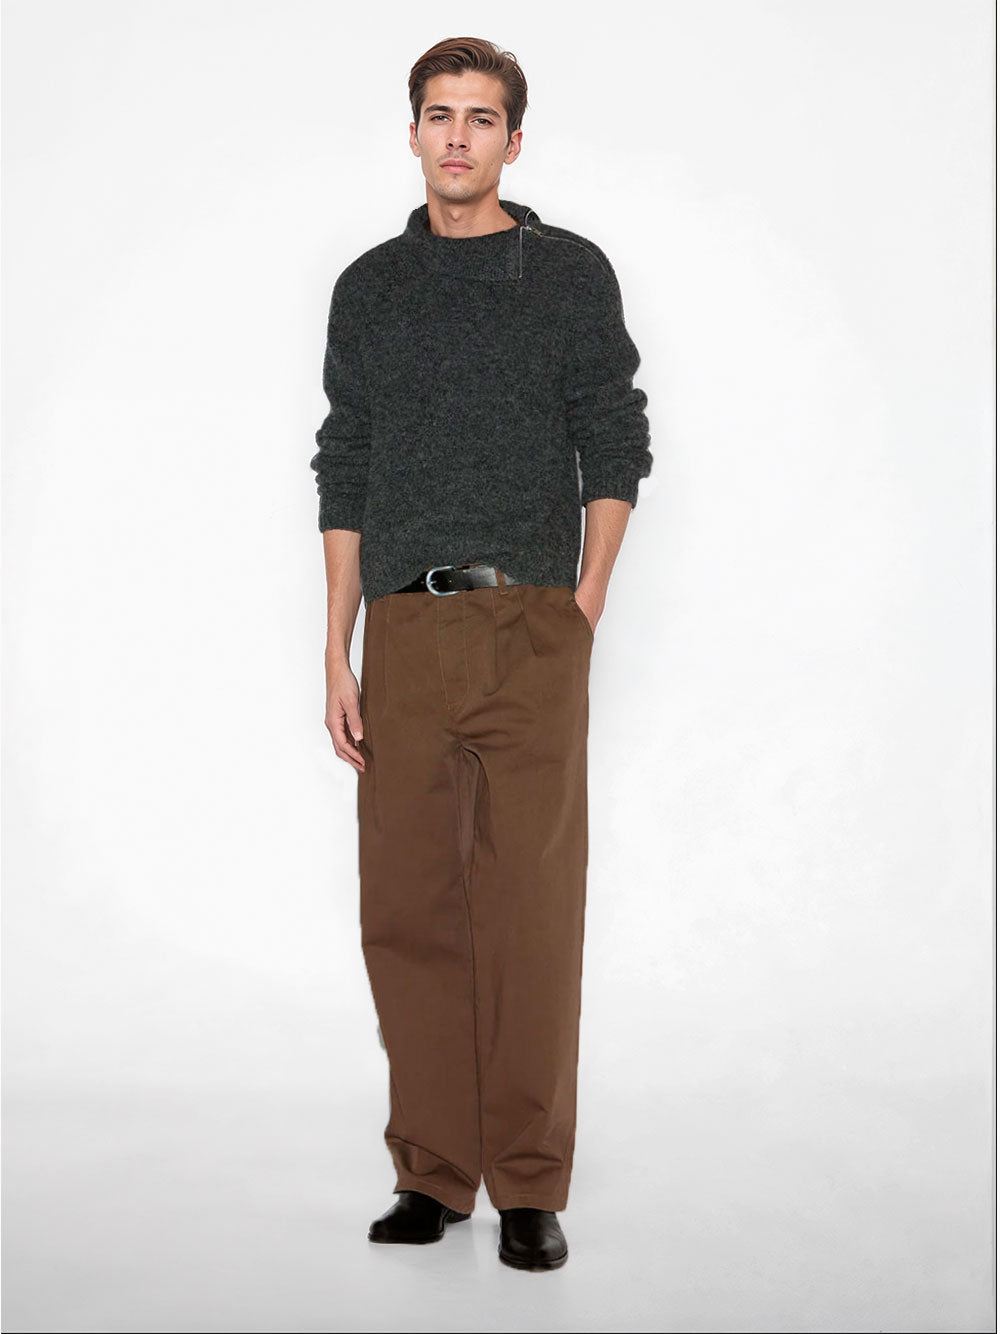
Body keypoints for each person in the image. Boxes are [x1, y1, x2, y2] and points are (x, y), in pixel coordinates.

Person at [310, 35, 653, 1271]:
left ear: (514, 138)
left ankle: (527, 1182)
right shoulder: (369, 288)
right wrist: (338, 645)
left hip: (529, 623)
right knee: (407, 907)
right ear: (411, 132)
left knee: (529, 909)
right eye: (440, 114)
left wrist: (585, 597)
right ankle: (431, 1170)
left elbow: (614, 433)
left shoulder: (565, 274)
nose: (458, 136)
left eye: (482, 117)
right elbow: (345, 462)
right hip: (403, 625)